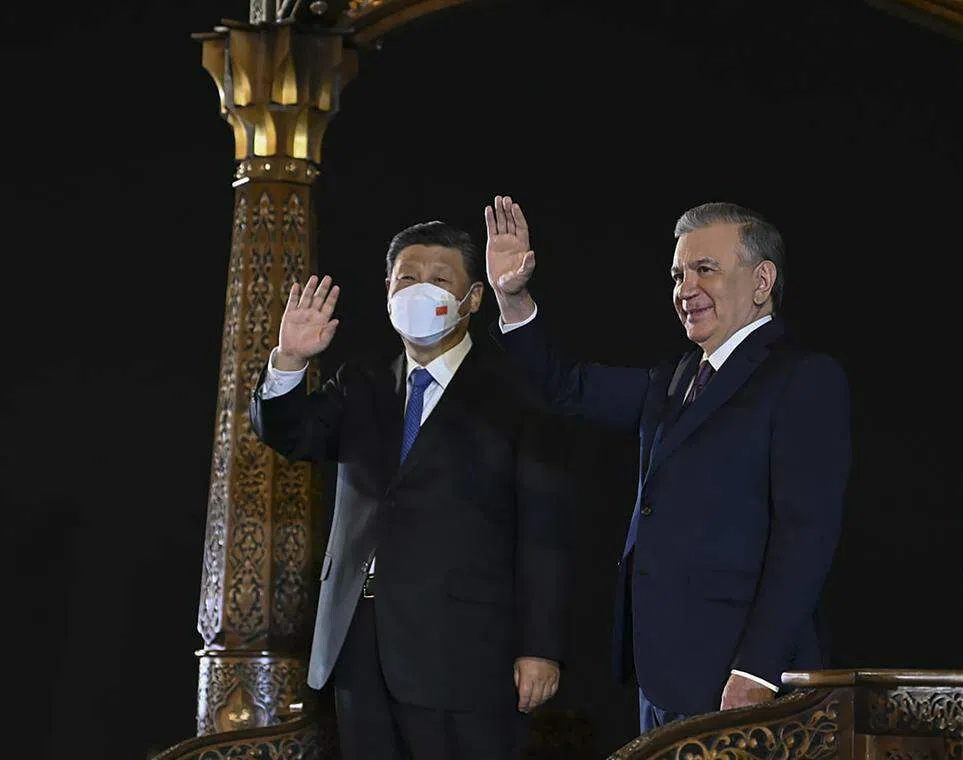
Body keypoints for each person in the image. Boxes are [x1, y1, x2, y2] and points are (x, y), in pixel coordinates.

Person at [486, 197, 851, 733]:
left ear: (761, 280)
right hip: (662, 677)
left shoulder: (803, 380)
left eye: (705, 269)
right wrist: (512, 300)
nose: (685, 289)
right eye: (678, 274)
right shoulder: (674, 381)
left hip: (745, 682)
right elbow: (567, 388)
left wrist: (757, 670)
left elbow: (806, 538)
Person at [250, 220, 571, 760]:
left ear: (472, 299)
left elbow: (545, 528)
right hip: (357, 641)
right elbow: (290, 434)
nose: (420, 289)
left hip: (461, 648)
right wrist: (290, 362)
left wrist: (540, 647)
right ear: (388, 292)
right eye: (407, 277)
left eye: (439, 279)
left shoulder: (515, 392)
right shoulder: (363, 382)